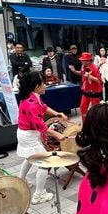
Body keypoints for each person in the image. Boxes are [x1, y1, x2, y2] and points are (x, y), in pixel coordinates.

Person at [16, 72, 68, 205]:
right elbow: (41, 127)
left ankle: (21, 181)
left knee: (29, 158)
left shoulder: (31, 97)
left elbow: (44, 108)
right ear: (37, 86)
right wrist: (58, 135)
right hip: (29, 136)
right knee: (45, 163)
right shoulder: (31, 103)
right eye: (43, 84)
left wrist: (57, 113)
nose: (45, 86)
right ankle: (39, 194)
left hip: (25, 134)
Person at [79, 52, 103, 118]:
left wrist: (90, 77)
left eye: (83, 60)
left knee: (95, 111)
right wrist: (74, 71)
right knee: (83, 107)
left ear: (88, 61)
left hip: (94, 92)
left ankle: (95, 125)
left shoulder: (94, 68)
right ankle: (85, 124)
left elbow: (99, 80)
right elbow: (82, 74)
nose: (82, 61)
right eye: (82, 60)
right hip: (86, 90)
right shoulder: (83, 66)